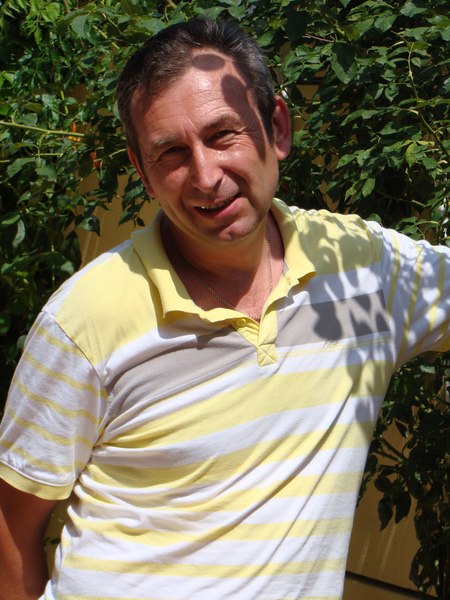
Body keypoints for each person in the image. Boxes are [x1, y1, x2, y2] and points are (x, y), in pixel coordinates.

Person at [0, 17, 449, 600]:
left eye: (222, 134)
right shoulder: (85, 320)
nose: (206, 177)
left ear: (277, 128)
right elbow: (11, 524)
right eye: (171, 152)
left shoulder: (360, 270)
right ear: (142, 172)